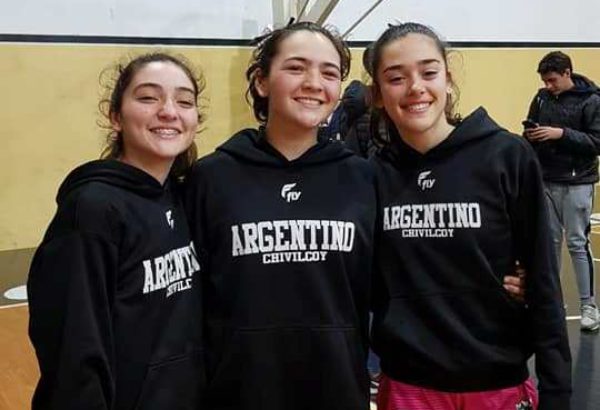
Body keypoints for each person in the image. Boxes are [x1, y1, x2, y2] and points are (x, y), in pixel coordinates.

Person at [368, 23, 572, 410]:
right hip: (410, 384)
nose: (415, 87)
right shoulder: (373, 176)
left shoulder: (506, 157)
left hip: (495, 382)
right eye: (396, 78)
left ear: (448, 78)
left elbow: (543, 280)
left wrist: (557, 392)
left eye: (429, 72)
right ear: (378, 94)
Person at [185, 21, 377, 410]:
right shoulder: (212, 176)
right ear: (261, 81)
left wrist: (501, 277)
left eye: (329, 72)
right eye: (295, 67)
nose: (313, 82)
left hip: (336, 388)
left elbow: (404, 272)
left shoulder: (363, 177)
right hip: (237, 391)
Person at [27, 52, 206, 410]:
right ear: (115, 117)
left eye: (184, 101)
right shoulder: (92, 210)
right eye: (148, 98)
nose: (169, 111)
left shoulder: (181, 197)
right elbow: (73, 355)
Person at [524, 51, 600, 332]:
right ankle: (553, 304)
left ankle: (589, 306)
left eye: (552, 80)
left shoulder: (592, 100)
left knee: (578, 243)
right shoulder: (542, 98)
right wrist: (531, 135)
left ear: (567, 73)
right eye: (545, 81)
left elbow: (597, 142)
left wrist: (561, 134)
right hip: (546, 179)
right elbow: (530, 128)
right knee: (550, 243)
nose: (548, 86)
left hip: (577, 181)